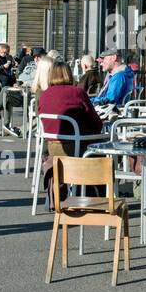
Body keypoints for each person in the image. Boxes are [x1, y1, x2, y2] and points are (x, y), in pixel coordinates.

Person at [36, 61, 103, 197]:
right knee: (104, 152)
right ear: (69, 74)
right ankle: (98, 194)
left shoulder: (45, 95)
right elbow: (97, 125)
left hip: (53, 147)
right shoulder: (77, 92)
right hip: (77, 147)